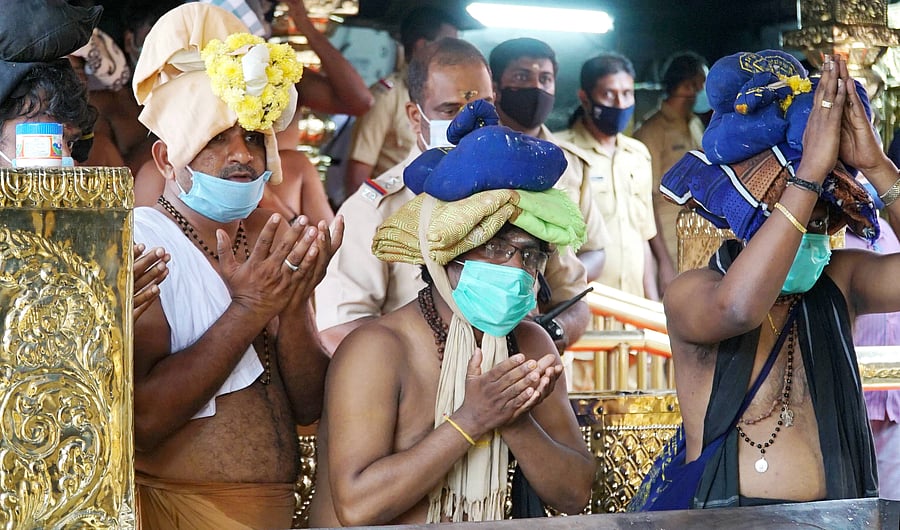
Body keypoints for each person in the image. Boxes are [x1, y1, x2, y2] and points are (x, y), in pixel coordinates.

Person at [308, 101, 594, 526]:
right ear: (444, 253)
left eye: (530, 255)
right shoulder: (377, 350)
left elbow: (575, 493)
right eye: (495, 248)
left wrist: (513, 423)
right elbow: (356, 506)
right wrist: (472, 420)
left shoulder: (531, 344)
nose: (516, 270)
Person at [129, 4, 342, 527]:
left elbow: (309, 405)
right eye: (216, 139)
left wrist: (290, 307)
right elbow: (141, 420)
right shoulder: (142, 244)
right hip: (184, 509)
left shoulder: (273, 240)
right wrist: (250, 309)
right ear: (165, 160)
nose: (241, 155)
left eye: (251, 137)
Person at [654, 53, 886, 508]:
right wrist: (808, 176)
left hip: (843, 513)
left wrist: (876, 165)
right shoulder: (692, 294)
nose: (811, 235)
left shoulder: (840, 281)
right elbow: (739, 309)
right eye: (796, 220)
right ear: (748, 222)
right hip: (727, 518)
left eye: (821, 222)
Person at [315, 38, 592, 357]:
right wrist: (450, 359)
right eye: (450, 110)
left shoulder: (526, 196)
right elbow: (339, 334)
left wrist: (540, 340)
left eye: (482, 106)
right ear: (416, 117)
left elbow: (575, 301)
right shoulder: (374, 211)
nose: (469, 122)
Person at [489, 37, 609, 282]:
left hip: (552, 308)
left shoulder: (572, 163)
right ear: (495, 88)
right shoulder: (472, 156)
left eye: (545, 79)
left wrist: (552, 286)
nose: (537, 87)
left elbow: (595, 251)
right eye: (522, 77)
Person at [557, 53, 656, 298]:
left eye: (627, 93)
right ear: (585, 98)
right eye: (608, 94)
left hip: (634, 308)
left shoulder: (638, 154)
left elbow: (642, 238)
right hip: (585, 303)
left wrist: (652, 302)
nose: (620, 103)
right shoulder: (561, 153)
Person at [342, 6, 459, 195]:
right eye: (449, 48)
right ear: (422, 46)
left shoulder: (452, 98)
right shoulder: (386, 97)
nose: (456, 57)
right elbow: (357, 177)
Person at [633, 51, 708, 295]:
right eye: (703, 83)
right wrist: (663, 262)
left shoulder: (695, 124)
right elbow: (645, 201)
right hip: (669, 241)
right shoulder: (651, 132)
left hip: (701, 236)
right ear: (689, 86)